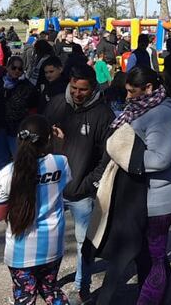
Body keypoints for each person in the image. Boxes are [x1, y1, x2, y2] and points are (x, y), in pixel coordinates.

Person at [86, 67, 171, 304]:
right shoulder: (141, 109)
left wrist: (123, 155)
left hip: (158, 199)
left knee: (154, 256)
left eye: (132, 91)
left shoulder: (162, 114)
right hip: (140, 197)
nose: (128, 96)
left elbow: (160, 158)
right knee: (146, 256)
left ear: (148, 88)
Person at [43, 65, 114, 303]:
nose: (77, 93)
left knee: (84, 242)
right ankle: (48, 282)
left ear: (92, 88)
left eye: (82, 89)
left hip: (81, 192)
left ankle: (82, 287)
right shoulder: (55, 104)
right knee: (49, 238)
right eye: (73, 88)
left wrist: (89, 184)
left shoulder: (103, 114)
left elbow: (108, 156)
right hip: (51, 187)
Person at [0, 115, 71, 305]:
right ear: (48, 139)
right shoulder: (61, 163)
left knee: (25, 296)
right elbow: (61, 172)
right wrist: (60, 143)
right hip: (53, 244)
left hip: (20, 250)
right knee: (51, 289)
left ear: (19, 139)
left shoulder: (7, 174)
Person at [0, 57, 41, 170]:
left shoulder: (27, 86)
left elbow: (32, 107)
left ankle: (18, 185)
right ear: (7, 67)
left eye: (20, 69)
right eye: (14, 68)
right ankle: (2, 186)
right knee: (1, 160)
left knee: (19, 160)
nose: (16, 71)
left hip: (16, 129)